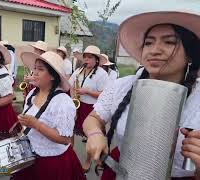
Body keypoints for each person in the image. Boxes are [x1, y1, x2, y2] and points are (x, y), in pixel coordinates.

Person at [83, 11, 200, 179]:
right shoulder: (122, 86)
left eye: (168, 42)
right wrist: (95, 134)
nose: (154, 50)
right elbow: (93, 119)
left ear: (189, 54)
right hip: (121, 171)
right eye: (148, 43)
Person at [11, 51, 86, 180]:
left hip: (52, 162)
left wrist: (36, 124)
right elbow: (30, 119)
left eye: (40, 69)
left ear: (52, 76)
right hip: (30, 156)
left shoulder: (63, 102)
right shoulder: (32, 93)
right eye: (34, 68)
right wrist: (21, 123)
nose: (34, 72)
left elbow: (64, 139)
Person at [69, 45, 109, 173]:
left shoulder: (102, 74)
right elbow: (70, 85)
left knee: (89, 135)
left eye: (90, 57)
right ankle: (70, 156)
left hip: (91, 108)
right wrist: (72, 99)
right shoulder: (79, 71)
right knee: (70, 132)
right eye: (85, 57)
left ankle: (88, 160)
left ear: (96, 60)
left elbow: (105, 94)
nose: (86, 60)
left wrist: (88, 92)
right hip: (77, 105)